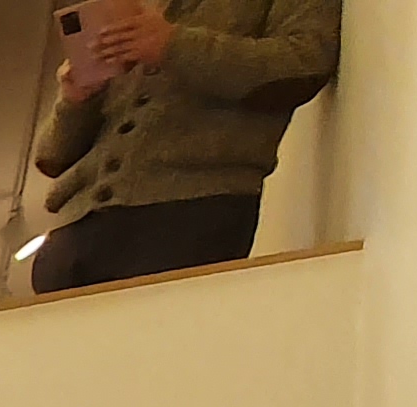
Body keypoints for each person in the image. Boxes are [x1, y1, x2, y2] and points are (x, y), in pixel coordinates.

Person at [28, 0, 338, 295]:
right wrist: (75, 100)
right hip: (72, 232)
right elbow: (51, 156)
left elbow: (305, 61)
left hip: (190, 213)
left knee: (168, 329)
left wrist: (172, 44)